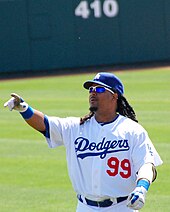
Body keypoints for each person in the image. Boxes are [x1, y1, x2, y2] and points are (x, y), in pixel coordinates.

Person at [4, 72, 163, 212]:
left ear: (115, 96)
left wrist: (142, 188)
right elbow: (46, 124)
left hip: (122, 207)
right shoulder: (75, 127)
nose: (93, 93)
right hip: (85, 207)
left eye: (100, 89)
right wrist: (25, 109)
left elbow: (146, 164)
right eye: (91, 89)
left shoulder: (132, 130)